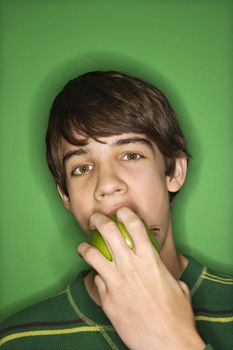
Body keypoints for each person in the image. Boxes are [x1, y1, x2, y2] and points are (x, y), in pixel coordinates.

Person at [0, 71, 232, 350]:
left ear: (174, 172)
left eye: (131, 155)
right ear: (66, 197)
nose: (107, 184)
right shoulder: (17, 341)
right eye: (82, 168)